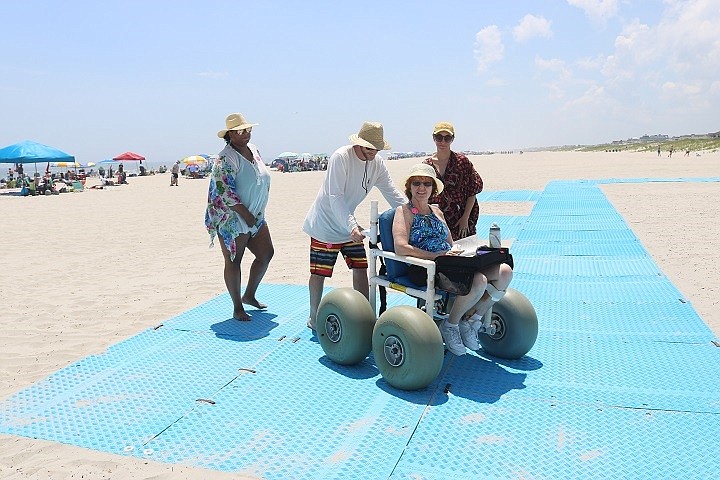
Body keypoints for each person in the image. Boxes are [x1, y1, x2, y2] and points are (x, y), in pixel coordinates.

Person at [392, 163, 513, 356]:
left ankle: (472, 320)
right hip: (427, 267)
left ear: (433, 188)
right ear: (409, 187)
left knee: (505, 272)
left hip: (451, 263)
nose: (421, 188)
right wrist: (436, 256)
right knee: (479, 280)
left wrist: (463, 252)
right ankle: (450, 325)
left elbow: (451, 243)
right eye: (416, 183)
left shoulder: (437, 211)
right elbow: (400, 247)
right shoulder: (404, 212)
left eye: (426, 183)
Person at [303, 121, 406, 330]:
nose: (373, 152)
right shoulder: (341, 157)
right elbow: (335, 196)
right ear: (358, 144)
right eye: (369, 148)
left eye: (377, 149)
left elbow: (392, 192)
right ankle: (314, 316)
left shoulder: (377, 163)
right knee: (319, 273)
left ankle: (364, 317)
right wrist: (352, 226)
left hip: (349, 225)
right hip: (325, 225)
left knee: (361, 268)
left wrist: (416, 211)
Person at [205, 112, 274, 321]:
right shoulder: (225, 158)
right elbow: (224, 192)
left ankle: (249, 295)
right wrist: (247, 216)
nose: (246, 134)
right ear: (230, 135)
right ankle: (237, 307)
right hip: (233, 218)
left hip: (255, 214)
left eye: (248, 130)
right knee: (234, 260)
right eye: (241, 131)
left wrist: (255, 215)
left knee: (266, 254)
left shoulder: (254, 149)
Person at [423, 122, 483, 240]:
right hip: (436, 223)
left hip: (461, 221)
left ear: (452, 139)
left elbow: (473, 191)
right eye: (439, 138)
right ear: (434, 138)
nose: (443, 142)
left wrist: (465, 218)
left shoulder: (462, 162)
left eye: (447, 138)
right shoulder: (427, 166)